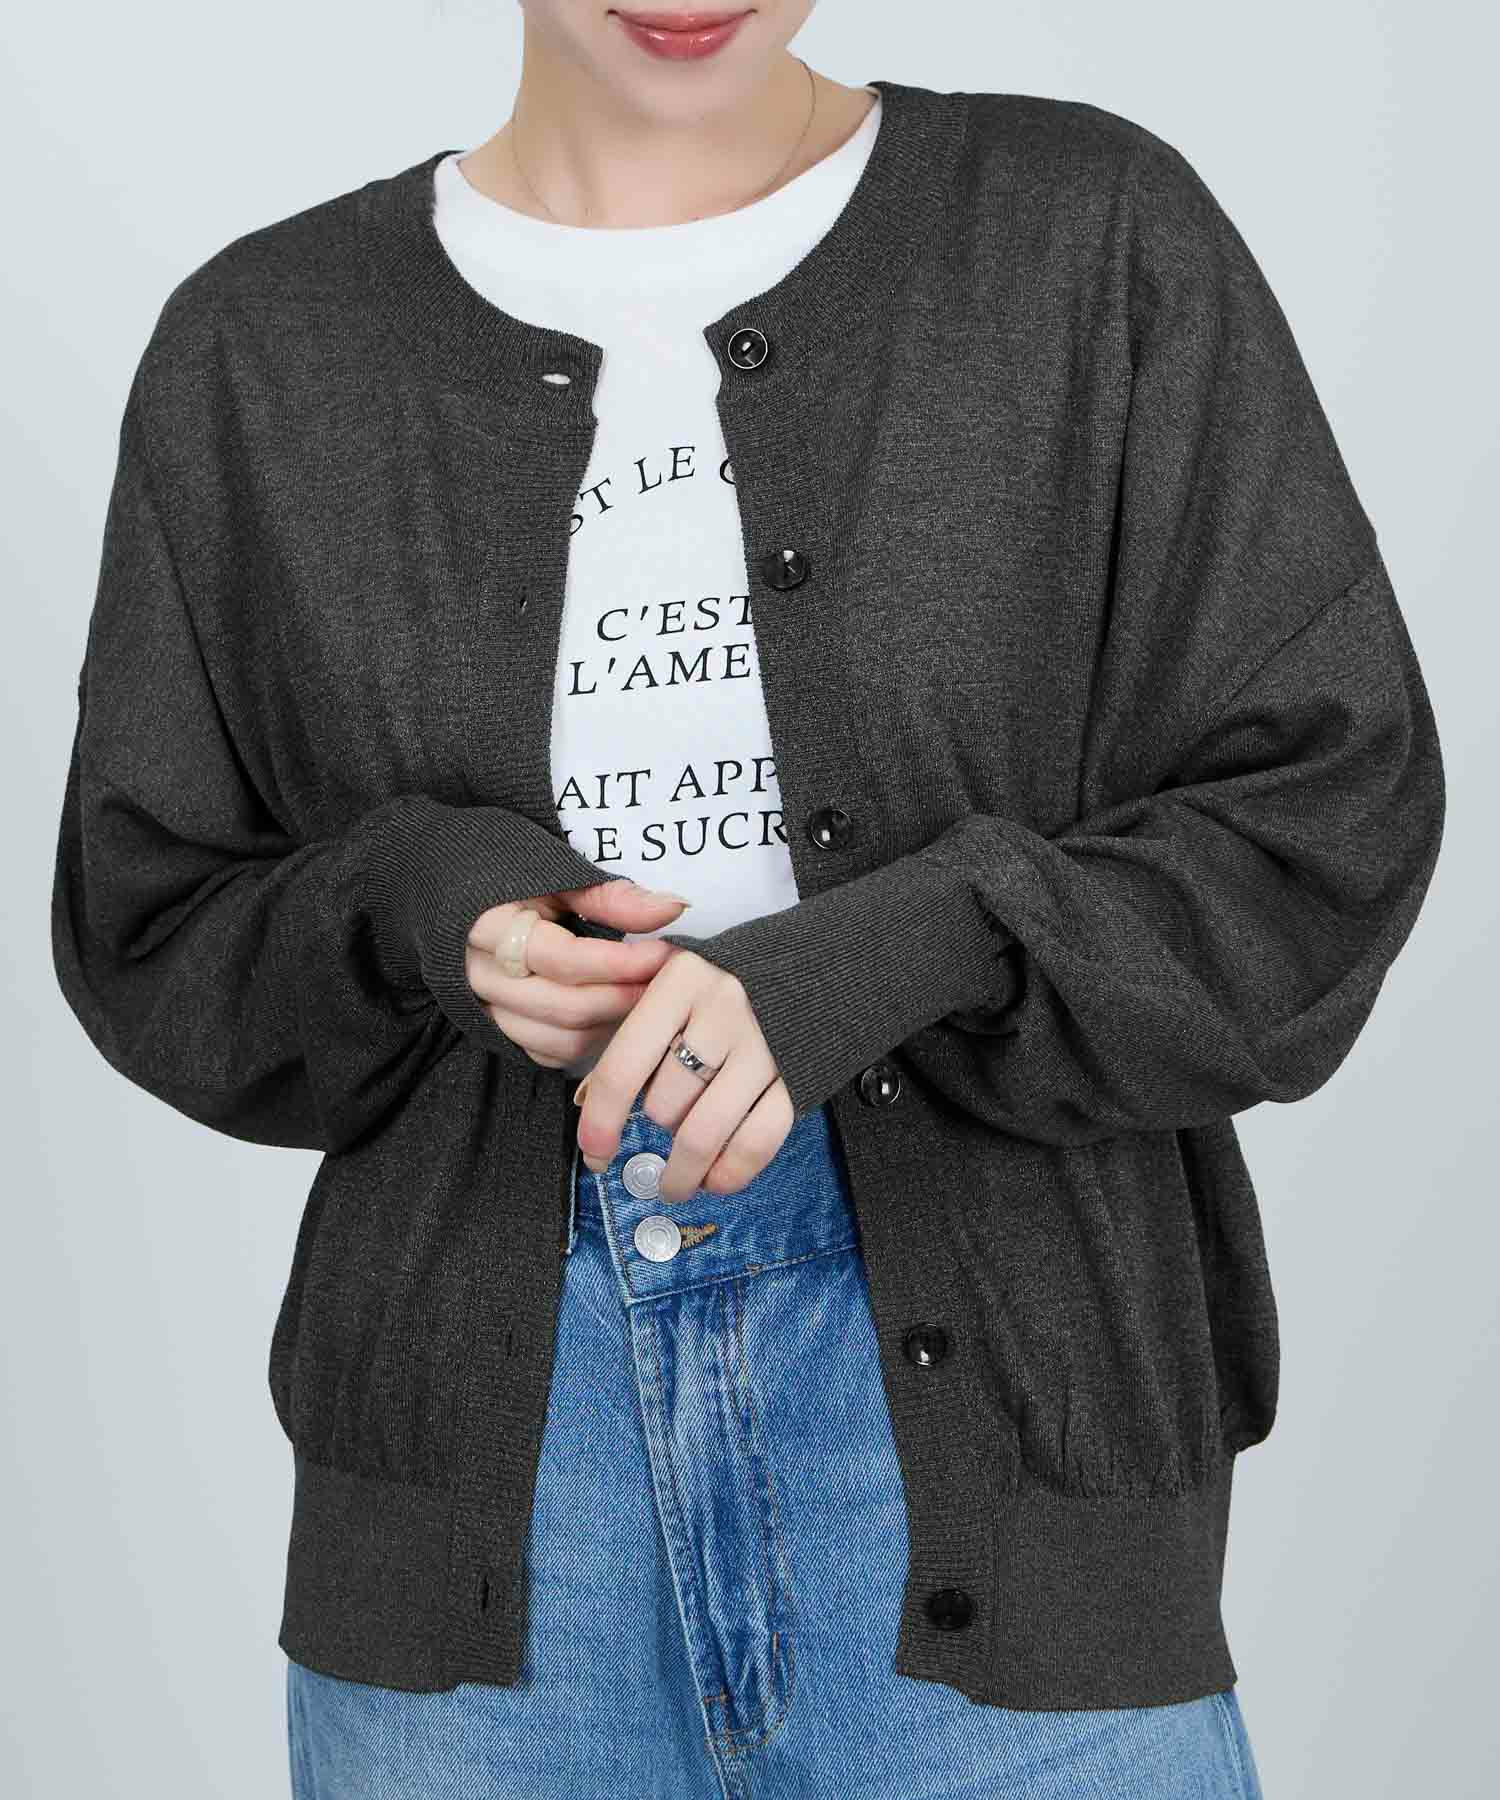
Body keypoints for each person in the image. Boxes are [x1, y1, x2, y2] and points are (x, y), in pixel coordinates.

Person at [52, 3, 1446, 1796]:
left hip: (1008, 1440)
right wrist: (420, 904)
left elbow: (1324, 820)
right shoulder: (262, 345)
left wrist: (895, 950)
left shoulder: (1082, 235)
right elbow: (150, 923)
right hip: (482, 1502)